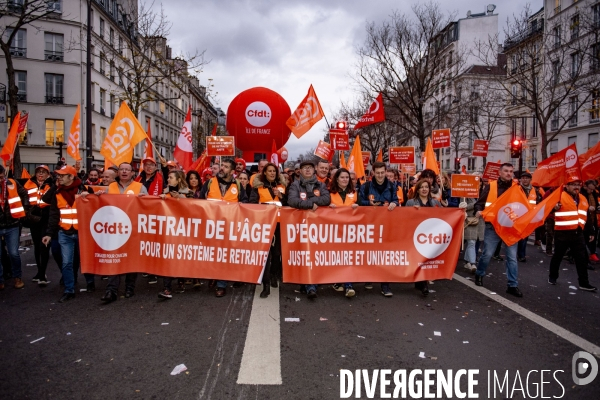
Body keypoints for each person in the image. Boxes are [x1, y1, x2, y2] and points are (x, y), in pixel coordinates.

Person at [41, 166, 94, 302]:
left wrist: (90, 196)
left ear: (71, 177)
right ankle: (69, 289)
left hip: (82, 233)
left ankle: (90, 282)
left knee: (86, 260)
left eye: (62, 176)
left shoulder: (84, 190)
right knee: (66, 263)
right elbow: (54, 215)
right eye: (58, 175)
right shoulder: (57, 193)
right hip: (64, 233)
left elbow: (96, 207)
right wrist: (49, 234)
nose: (59, 178)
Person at [99, 163, 148, 303]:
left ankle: (129, 288)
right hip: (115, 230)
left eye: (127, 169)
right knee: (114, 259)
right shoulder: (111, 188)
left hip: (133, 229)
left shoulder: (140, 187)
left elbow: (148, 206)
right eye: (122, 169)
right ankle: (111, 290)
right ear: (118, 172)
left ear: (133, 173)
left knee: (131, 259)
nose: (124, 171)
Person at [473, 163, 523, 297]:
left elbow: (523, 206)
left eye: (511, 171)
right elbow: (479, 203)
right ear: (500, 173)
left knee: (512, 257)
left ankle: (512, 285)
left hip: (510, 227)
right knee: (487, 254)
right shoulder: (491, 186)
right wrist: (478, 211)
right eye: (506, 171)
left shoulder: (517, 188)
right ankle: (479, 274)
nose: (509, 173)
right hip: (493, 226)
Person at [200, 158, 247, 297]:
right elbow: (200, 202)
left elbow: (244, 203)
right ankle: (213, 275)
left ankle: (221, 284)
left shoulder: (237, 185)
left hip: (229, 228)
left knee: (224, 256)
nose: (222, 168)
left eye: (226, 167)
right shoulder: (209, 183)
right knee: (211, 254)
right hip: (211, 225)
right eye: (221, 166)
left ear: (232, 171)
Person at [287, 161, 331, 299]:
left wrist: (311, 199)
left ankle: (311, 285)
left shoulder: (321, 184)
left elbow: (326, 199)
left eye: (310, 168)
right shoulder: (295, 185)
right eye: (305, 168)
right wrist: (311, 204)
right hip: (300, 226)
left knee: (313, 254)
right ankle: (306, 283)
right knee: (303, 254)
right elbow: (292, 200)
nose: (307, 170)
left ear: (314, 170)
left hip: (317, 226)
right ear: (300, 171)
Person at [358, 161, 399, 297]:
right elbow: (359, 202)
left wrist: (394, 203)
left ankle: (385, 285)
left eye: (383, 173)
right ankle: (369, 277)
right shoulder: (366, 186)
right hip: (369, 225)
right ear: (373, 173)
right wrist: (368, 204)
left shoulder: (392, 186)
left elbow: (396, 200)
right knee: (369, 253)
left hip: (386, 225)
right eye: (378, 173)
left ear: (385, 172)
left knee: (384, 254)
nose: (380, 175)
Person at [548, 180, 597, 291]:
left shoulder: (583, 198)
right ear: (567, 186)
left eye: (578, 185)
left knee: (581, 259)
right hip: (562, 233)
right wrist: (554, 207)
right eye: (573, 185)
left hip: (578, 233)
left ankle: (584, 283)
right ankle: (552, 277)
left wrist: (591, 231)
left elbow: (587, 216)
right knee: (558, 256)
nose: (576, 187)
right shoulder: (560, 195)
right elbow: (548, 209)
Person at [249, 163, 287, 298]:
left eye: (274, 171)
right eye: (269, 171)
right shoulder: (257, 187)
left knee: (277, 253)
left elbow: (290, 204)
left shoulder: (282, 187)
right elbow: (252, 203)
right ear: (264, 173)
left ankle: (273, 275)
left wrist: (282, 197)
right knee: (265, 254)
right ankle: (265, 285)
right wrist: (265, 206)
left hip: (279, 224)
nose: (272, 173)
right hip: (263, 224)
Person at [158, 170, 194, 299]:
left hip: (184, 231)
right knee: (167, 257)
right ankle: (167, 288)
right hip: (168, 230)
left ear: (178, 180)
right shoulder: (164, 193)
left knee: (180, 256)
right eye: (168, 177)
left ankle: (181, 281)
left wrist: (179, 198)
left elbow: (194, 208)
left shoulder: (189, 193)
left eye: (171, 177)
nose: (168, 179)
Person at [405, 179, 441, 295]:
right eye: (422, 187)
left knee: (426, 259)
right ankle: (423, 284)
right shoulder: (411, 202)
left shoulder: (435, 203)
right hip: (416, 236)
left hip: (430, 236)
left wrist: (461, 209)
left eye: (426, 187)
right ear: (418, 189)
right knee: (419, 259)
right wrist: (412, 212)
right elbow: (403, 217)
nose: (424, 189)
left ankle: (421, 282)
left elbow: (444, 216)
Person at [328, 168, 359, 298]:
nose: (345, 180)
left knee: (348, 256)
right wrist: (327, 207)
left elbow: (362, 207)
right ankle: (337, 280)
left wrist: (358, 206)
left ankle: (348, 285)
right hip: (334, 230)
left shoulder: (354, 193)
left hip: (350, 230)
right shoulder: (329, 193)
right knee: (337, 256)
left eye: (347, 177)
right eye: (342, 177)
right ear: (337, 179)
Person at [0, 165, 30, 291]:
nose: (1, 179)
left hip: (12, 225)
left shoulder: (12, 183)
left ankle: (17, 277)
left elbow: (25, 194)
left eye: (2, 177)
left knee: (13, 253)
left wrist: (24, 209)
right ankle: (0, 279)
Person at [25, 165, 54, 286]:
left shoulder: (52, 184)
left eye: (43, 172)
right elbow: (23, 197)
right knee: (37, 245)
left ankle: (42, 274)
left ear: (48, 174)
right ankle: (39, 272)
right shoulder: (28, 184)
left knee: (44, 246)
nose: (40, 174)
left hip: (46, 218)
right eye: (38, 172)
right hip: (34, 219)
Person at [517, 172, 541, 262]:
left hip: (528, 218)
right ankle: (515, 254)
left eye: (527, 178)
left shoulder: (535, 191)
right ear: (521, 180)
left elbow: (538, 203)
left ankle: (521, 255)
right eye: (523, 178)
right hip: (517, 217)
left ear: (530, 180)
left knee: (524, 237)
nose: (525, 179)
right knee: (516, 237)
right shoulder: (516, 189)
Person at [462, 196, 484, 273]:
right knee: (471, 242)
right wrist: (476, 204)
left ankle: (466, 261)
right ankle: (473, 263)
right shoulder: (465, 193)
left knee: (472, 243)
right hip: (469, 220)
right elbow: (463, 207)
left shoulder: (483, 192)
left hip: (480, 221)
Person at [581, 180, 599, 263]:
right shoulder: (581, 194)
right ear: (585, 186)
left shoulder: (594, 193)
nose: (592, 191)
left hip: (593, 217)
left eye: (593, 189)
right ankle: (585, 256)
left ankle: (592, 253)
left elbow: (596, 203)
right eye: (590, 189)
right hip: (584, 219)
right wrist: (588, 208)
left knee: (593, 236)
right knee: (584, 238)